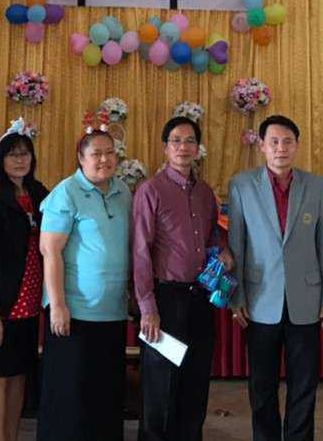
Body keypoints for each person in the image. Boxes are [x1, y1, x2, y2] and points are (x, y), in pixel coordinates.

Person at [227, 115, 323, 441]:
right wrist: (237, 296)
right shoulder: (242, 185)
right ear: (262, 146)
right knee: (261, 385)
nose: (281, 148)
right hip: (259, 299)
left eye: (287, 141)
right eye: (274, 142)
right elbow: (237, 244)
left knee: (304, 384)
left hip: (306, 299)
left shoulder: (316, 185)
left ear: (297, 146)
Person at [132, 116, 230, 441]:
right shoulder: (150, 190)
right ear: (165, 148)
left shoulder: (204, 192)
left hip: (200, 298)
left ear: (197, 148)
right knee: (161, 386)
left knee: (195, 382)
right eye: (176, 140)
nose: (183, 147)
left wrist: (223, 251)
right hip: (166, 301)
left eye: (190, 141)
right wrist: (148, 308)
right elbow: (140, 251)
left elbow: (212, 235)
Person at [38, 127, 132, 441]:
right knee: (70, 397)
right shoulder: (66, 192)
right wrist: (58, 305)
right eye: (96, 154)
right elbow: (50, 250)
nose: (104, 159)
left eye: (110, 153)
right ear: (81, 158)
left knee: (105, 396)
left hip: (112, 312)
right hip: (74, 312)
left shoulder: (124, 191)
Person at [0, 122, 49, 441]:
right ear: (0, 159)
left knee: (19, 375)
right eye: (12, 154)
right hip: (1, 303)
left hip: (29, 305)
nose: (20, 160)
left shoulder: (39, 194)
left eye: (25, 154)